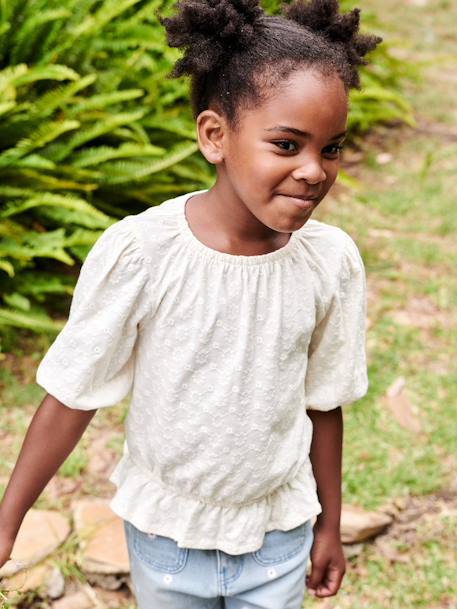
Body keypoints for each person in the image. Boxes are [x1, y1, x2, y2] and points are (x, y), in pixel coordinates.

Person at [0, 0, 381, 607]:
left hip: (278, 536)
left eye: (331, 148)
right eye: (287, 145)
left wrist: (329, 525)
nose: (314, 171)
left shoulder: (328, 263)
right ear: (215, 136)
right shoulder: (144, 254)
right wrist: (8, 519)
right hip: (166, 539)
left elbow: (324, 402)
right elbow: (72, 395)